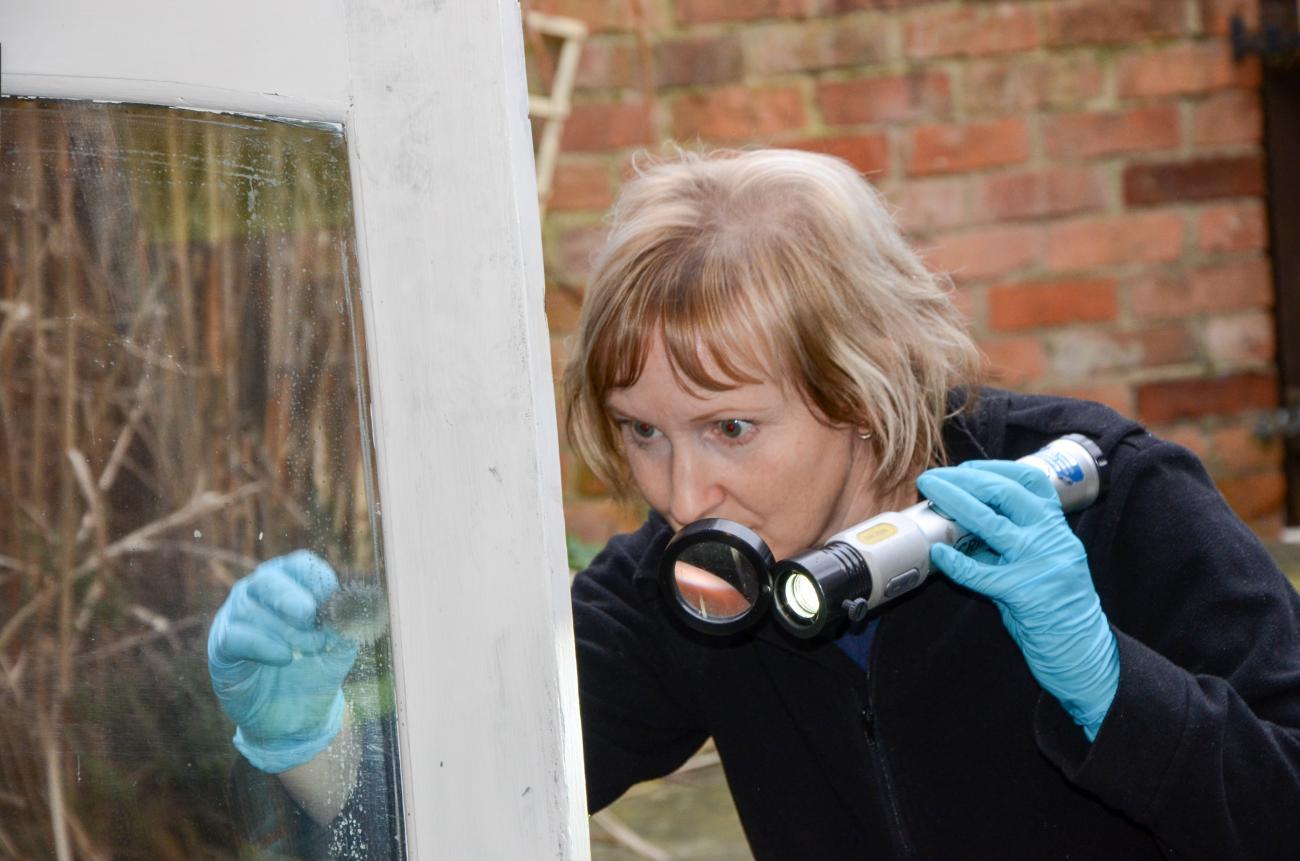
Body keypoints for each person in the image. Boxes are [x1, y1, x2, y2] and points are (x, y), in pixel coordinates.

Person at [209, 148, 1300, 859]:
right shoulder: (684, 581)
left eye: (730, 428)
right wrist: (298, 732)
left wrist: (1120, 696)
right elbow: (450, 812)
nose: (685, 495)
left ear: (865, 385)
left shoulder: (1100, 494)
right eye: (643, 432)